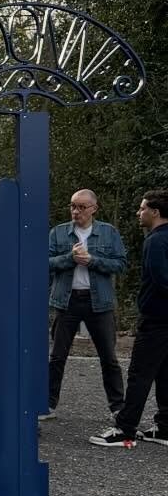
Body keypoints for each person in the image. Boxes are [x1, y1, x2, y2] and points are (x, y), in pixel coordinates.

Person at [90, 190, 168, 447]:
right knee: (165, 372)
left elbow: (160, 278)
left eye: (143, 208)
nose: (139, 212)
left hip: (156, 318)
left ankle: (125, 428)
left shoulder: (156, 241)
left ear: (155, 212)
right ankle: (165, 427)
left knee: (140, 373)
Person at [46, 189, 126, 419]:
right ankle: (48, 404)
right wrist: (69, 259)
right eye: (73, 206)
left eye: (81, 207)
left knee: (108, 357)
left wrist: (92, 261)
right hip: (67, 301)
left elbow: (120, 264)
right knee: (57, 356)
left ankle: (118, 407)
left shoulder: (108, 232)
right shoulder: (59, 233)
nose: (75, 211)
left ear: (94, 209)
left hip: (99, 302)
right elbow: (45, 263)